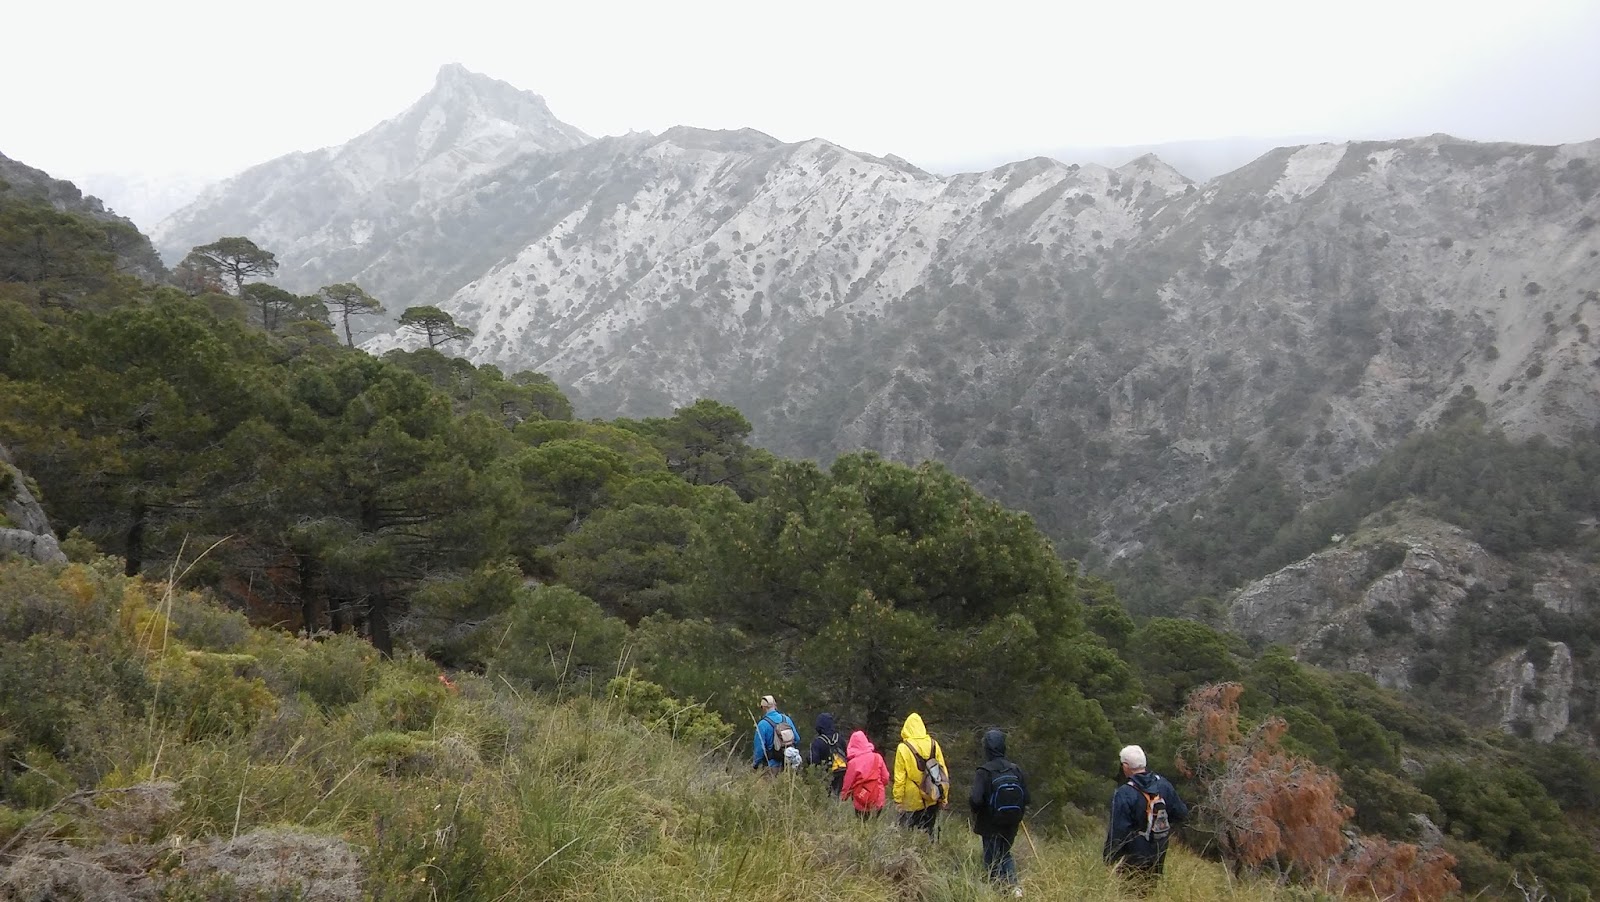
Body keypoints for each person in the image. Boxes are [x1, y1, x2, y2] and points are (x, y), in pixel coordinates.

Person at [1104, 744, 1188, 894]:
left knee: (1129, 892)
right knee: (1149, 891)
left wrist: (1110, 856)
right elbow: (1181, 813)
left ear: (1125, 766)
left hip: (1134, 853)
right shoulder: (1163, 784)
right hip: (1159, 849)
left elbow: (1118, 830)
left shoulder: (1124, 793)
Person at [969, 728, 1029, 894]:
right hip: (1012, 823)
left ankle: (995, 892)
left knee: (991, 860)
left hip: (990, 823)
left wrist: (975, 811)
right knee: (1005, 854)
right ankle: (1014, 888)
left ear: (987, 748)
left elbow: (976, 800)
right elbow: (1027, 798)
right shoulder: (1015, 769)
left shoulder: (984, 771)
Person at [893, 712, 949, 837]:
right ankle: (928, 855)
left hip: (911, 800)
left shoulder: (903, 748)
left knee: (907, 836)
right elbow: (943, 772)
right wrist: (944, 796)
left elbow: (900, 778)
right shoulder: (934, 744)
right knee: (928, 834)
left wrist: (898, 800)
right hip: (931, 796)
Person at [839, 729, 890, 819]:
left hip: (861, 799)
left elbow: (848, 783)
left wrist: (844, 797)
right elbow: (885, 778)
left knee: (862, 825)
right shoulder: (877, 757)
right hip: (878, 798)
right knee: (875, 825)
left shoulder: (853, 763)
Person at [751, 694, 802, 773]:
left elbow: (760, 749)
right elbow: (797, 739)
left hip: (772, 767)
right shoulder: (786, 719)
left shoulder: (762, 724)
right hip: (788, 766)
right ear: (775, 705)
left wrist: (755, 765)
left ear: (763, 708)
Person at [809, 712, 848, 797]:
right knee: (837, 796)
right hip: (840, 771)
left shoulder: (817, 742)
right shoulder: (839, 738)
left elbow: (814, 763)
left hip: (824, 775)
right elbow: (846, 754)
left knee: (825, 797)